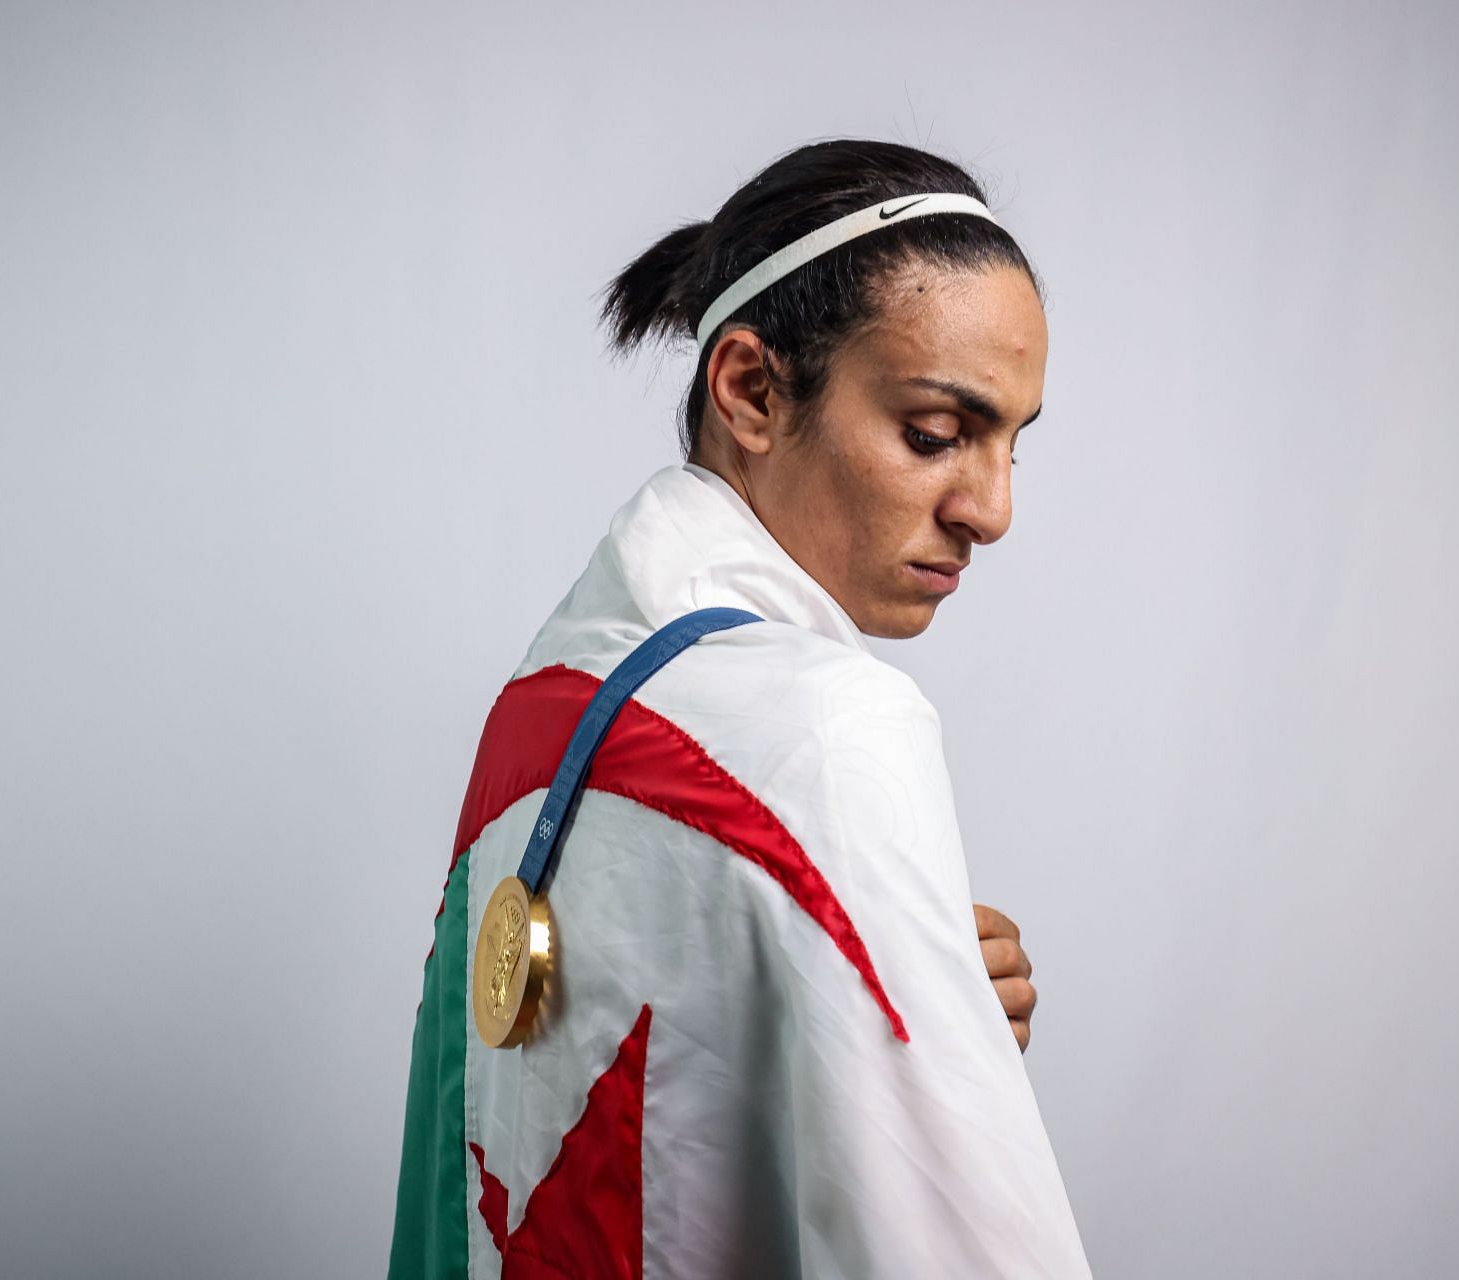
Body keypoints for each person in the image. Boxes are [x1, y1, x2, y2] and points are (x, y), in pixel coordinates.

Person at [388, 137, 1091, 1278]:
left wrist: (873, 962)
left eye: (1011, 442)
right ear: (753, 390)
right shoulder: (833, 732)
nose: (993, 508)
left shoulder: (540, 708)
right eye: (935, 433)